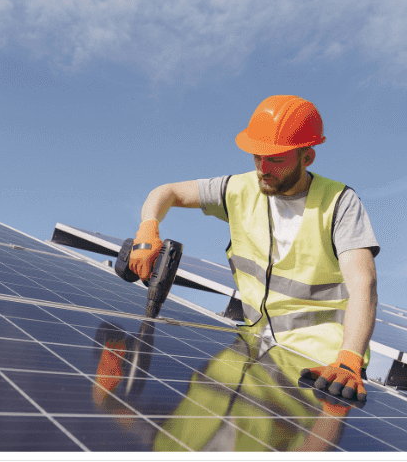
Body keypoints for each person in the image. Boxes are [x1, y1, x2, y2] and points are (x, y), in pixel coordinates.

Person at [126, 94, 380, 436]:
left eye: (275, 159)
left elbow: (363, 284)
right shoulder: (238, 189)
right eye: (257, 155)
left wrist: (349, 358)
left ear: (308, 156)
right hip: (252, 347)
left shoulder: (339, 203)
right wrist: (148, 227)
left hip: (320, 365)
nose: (263, 167)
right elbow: (167, 191)